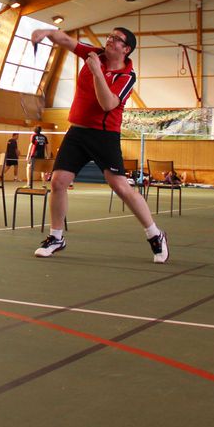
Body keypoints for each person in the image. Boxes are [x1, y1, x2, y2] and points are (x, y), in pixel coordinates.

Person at [29, 26, 168, 264]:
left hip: (104, 136)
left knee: (121, 187)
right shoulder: (95, 54)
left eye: (117, 39)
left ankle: (155, 235)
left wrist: (96, 73)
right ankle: (56, 237)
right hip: (77, 131)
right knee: (58, 181)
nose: (110, 40)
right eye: (110, 36)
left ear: (126, 49)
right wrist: (45, 32)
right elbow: (65, 39)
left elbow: (107, 104)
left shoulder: (126, 76)